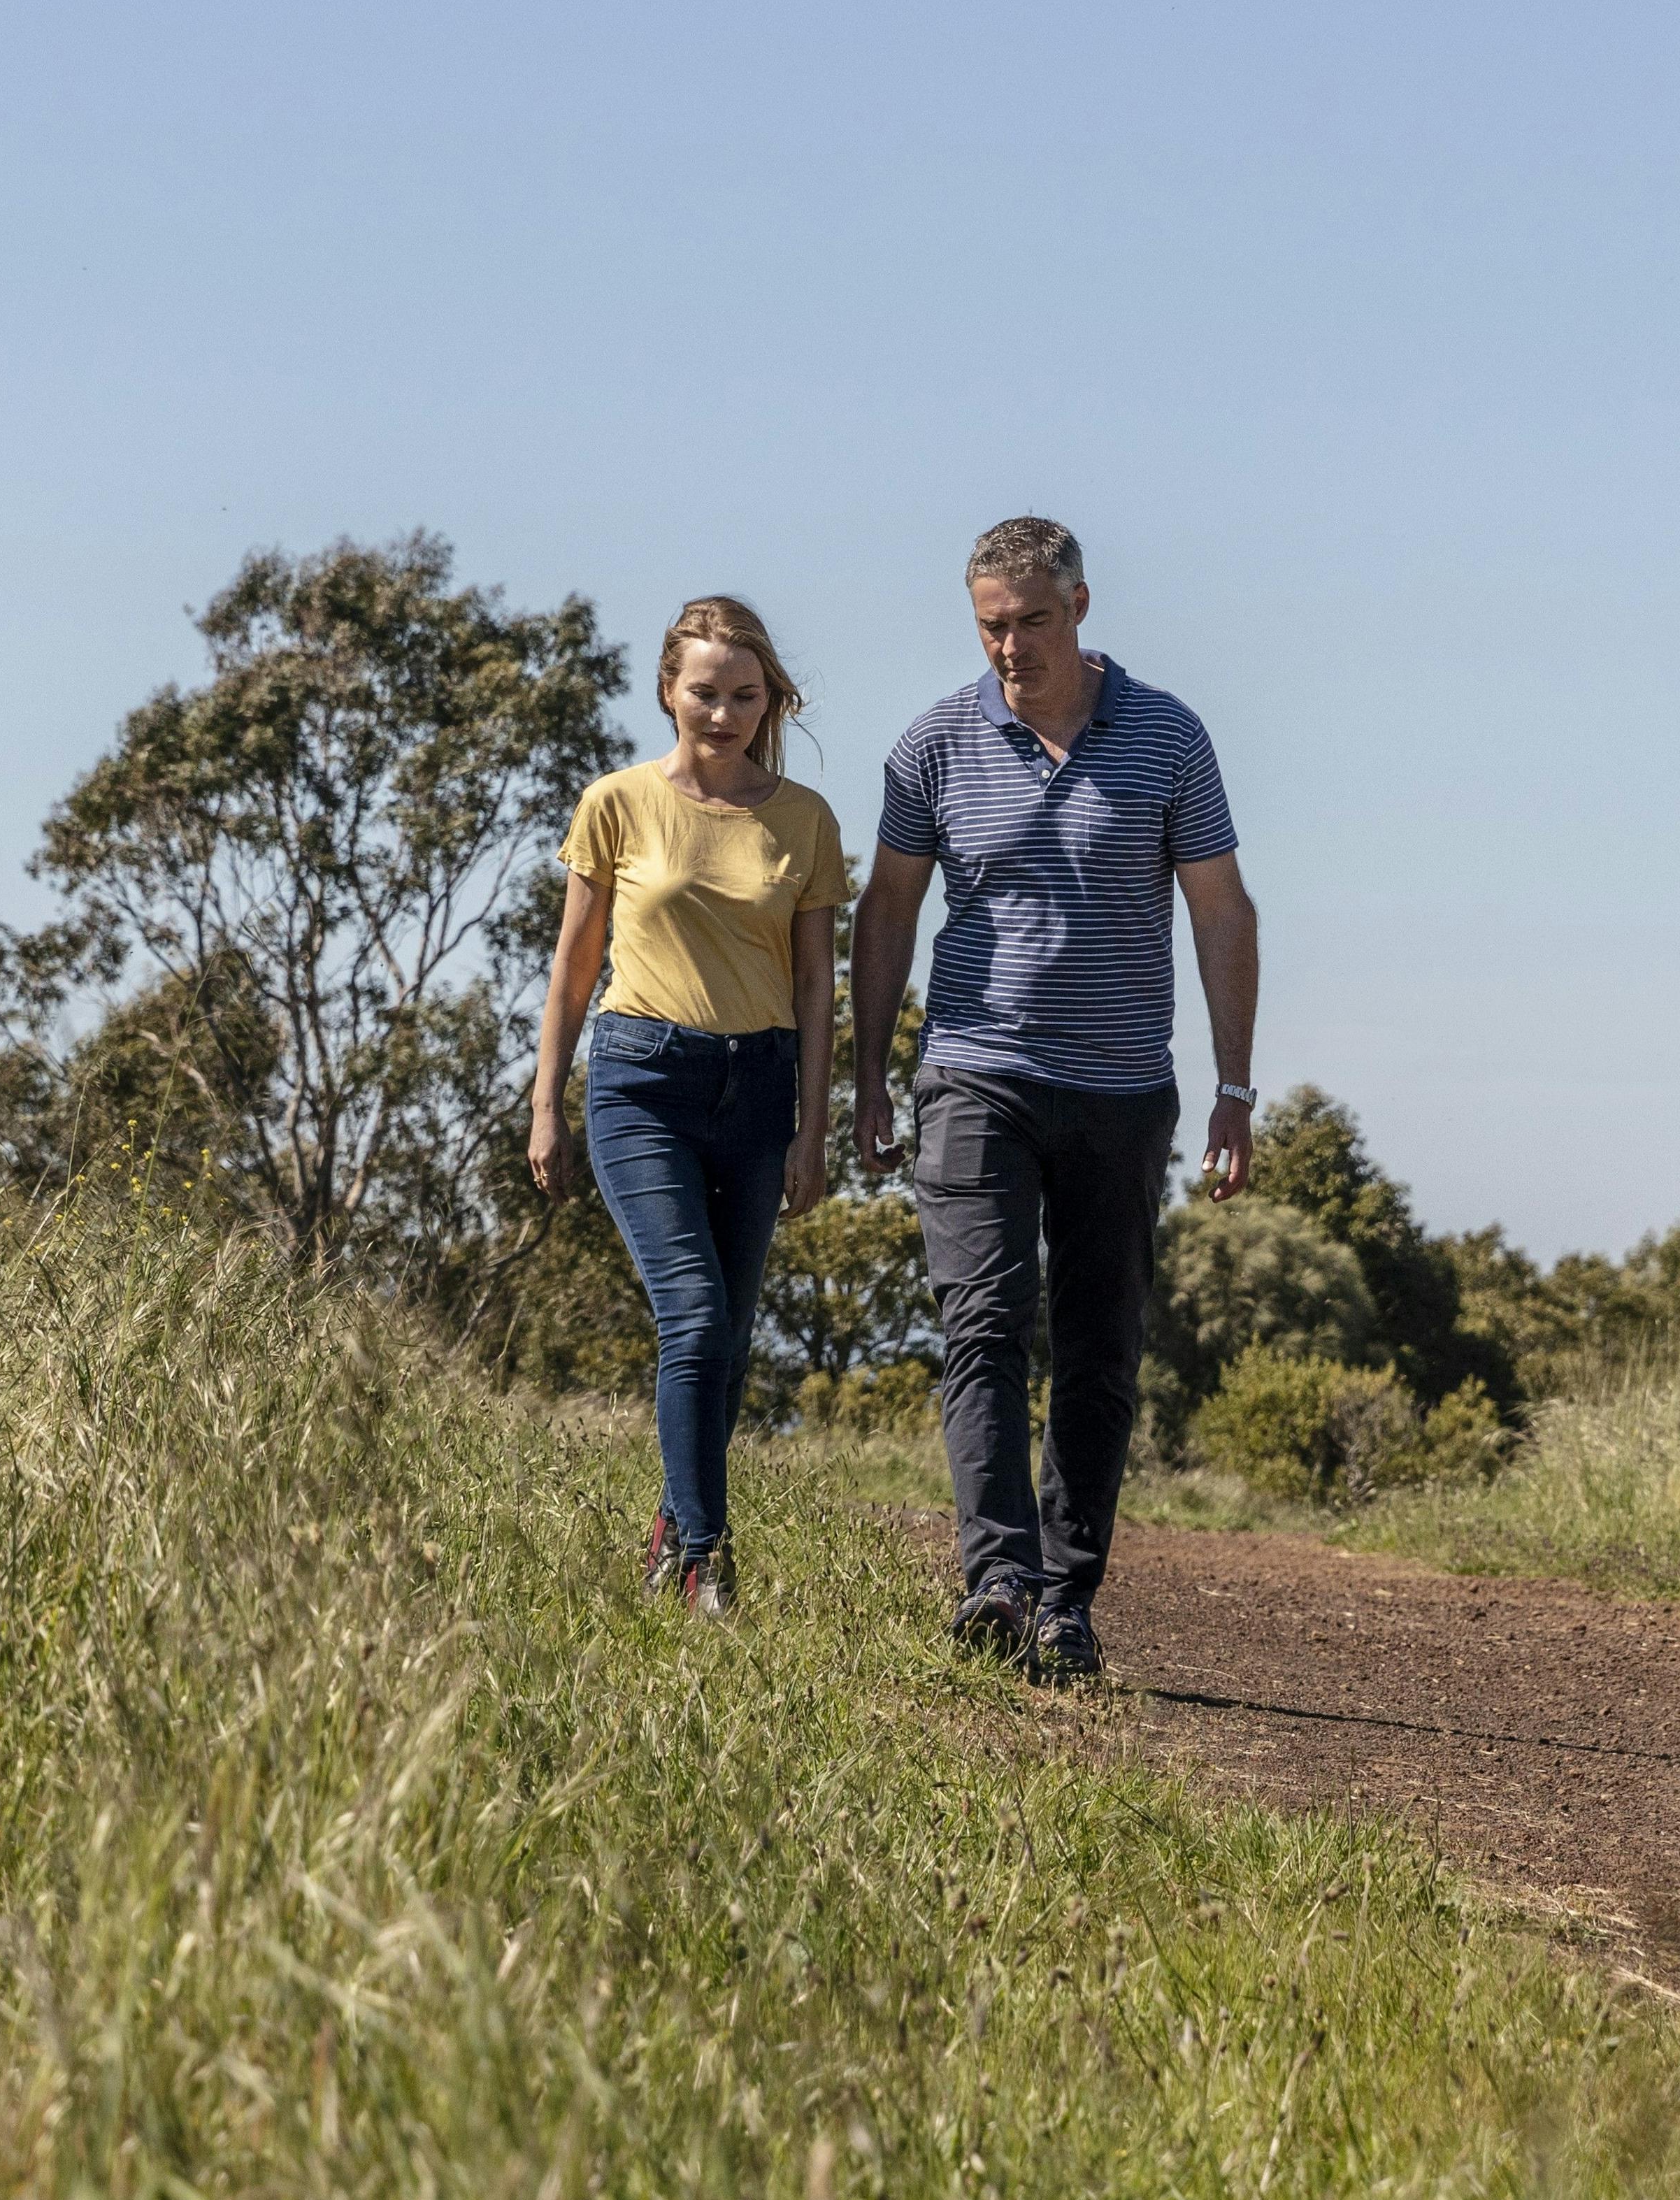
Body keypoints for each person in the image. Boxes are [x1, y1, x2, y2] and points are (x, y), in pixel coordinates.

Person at [849, 517, 1258, 1681]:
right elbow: (889, 911)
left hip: (1125, 1088)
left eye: (1030, 620)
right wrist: (873, 1072)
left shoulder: (1168, 736)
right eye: (990, 625)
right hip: (975, 1070)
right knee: (980, 1322)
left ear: (1080, 607)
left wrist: (1234, 1086)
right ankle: (997, 1576)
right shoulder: (933, 744)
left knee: (1098, 1349)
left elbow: (1222, 911)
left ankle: (1067, 1601)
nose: (1010, 646)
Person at [531, 594, 848, 1616]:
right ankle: (705, 1559)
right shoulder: (616, 802)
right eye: (705, 692)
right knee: (696, 1313)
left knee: (729, 1336)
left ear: (771, 699)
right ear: (669, 688)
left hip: (759, 1088)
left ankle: (674, 1525)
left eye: (744, 695)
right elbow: (575, 966)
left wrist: (815, 1124)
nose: (723, 713)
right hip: (640, 1080)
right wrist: (546, 1101)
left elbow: (814, 989)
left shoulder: (802, 821)